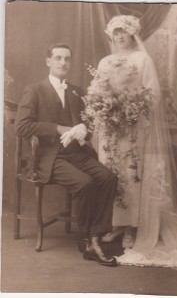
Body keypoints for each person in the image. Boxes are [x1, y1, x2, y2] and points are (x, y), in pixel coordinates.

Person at [84, 15, 177, 269]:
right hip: (110, 130)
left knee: (132, 176)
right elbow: (97, 90)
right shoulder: (106, 61)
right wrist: (103, 108)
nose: (120, 36)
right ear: (112, 35)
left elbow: (152, 93)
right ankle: (116, 224)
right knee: (111, 174)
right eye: (116, 32)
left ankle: (132, 227)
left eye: (124, 32)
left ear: (132, 34)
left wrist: (130, 109)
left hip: (133, 129)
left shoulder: (142, 60)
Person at [15, 43, 118, 267]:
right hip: (50, 157)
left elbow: (89, 121)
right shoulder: (34, 90)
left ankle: (95, 236)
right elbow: (21, 127)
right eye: (58, 58)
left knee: (108, 178)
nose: (63, 62)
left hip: (77, 153)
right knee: (85, 183)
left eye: (67, 59)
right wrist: (57, 129)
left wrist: (84, 128)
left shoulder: (76, 91)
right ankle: (88, 239)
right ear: (48, 61)